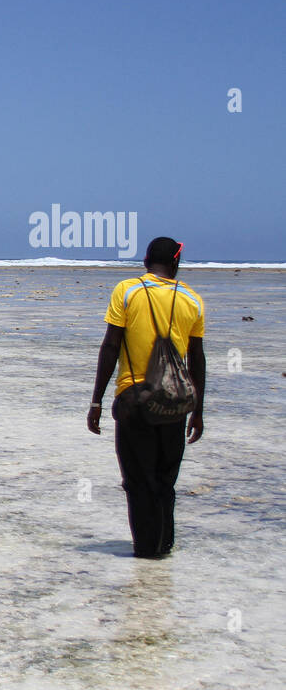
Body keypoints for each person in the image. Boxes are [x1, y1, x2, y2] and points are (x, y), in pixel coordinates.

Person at [87, 237, 206, 558]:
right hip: (174, 402)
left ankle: (146, 553)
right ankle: (163, 549)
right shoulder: (192, 300)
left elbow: (111, 345)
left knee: (137, 481)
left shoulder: (127, 291)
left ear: (145, 261)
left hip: (132, 399)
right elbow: (197, 358)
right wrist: (198, 411)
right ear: (177, 263)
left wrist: (96, 400)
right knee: (165, 481)